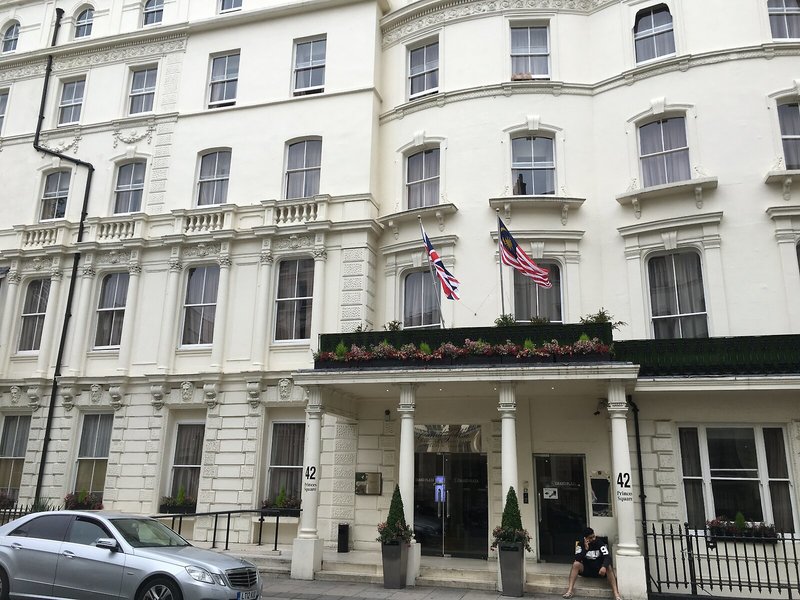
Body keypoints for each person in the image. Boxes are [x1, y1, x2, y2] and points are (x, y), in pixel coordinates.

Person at [562, 527, 622, 600]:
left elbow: (607, 557)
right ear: (585, 539)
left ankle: (616, 594)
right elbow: (577, 558)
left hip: (599, 570)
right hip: (587, 569)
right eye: (590, 538)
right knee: (576, 564)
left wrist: (604, 566)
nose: (593, 539)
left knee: (608, 566)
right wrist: (585, 549)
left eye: (594, 536)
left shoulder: (599, 543)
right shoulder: (580, 544)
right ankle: (569, 591)